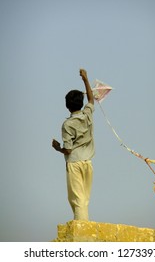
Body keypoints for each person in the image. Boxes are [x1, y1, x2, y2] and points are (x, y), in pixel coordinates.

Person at [52, 69, 95, 221]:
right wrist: (85, 79)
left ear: (67, 106)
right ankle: (83, 226)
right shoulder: (87, 115)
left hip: (75, 163)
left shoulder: (67, 124)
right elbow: (91, 100)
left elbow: (68, 149)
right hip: (88, 163)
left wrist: (57, 148)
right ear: (80, 103)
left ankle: (81, 232)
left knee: (77, 200)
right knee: (84, 199)